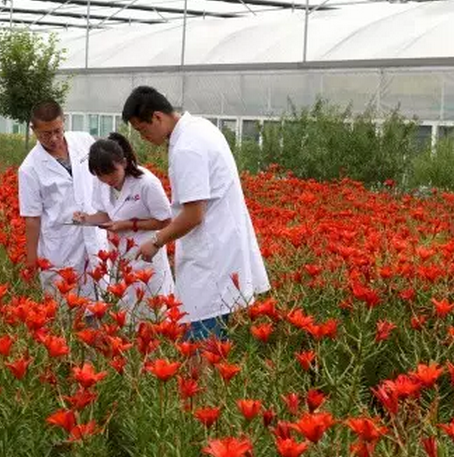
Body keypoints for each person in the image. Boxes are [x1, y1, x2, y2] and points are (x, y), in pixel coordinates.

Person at [122, 85, 270, 341]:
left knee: (203, 345)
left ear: (157, 117)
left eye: (142, 129)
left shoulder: (187, 148)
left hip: (211, 259)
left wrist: (156, 241)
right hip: (220, 251)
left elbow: (194, 214)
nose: (142, 137)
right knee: (212, 341)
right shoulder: (200, 128)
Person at [72, 133, 175, 321]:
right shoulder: (102, 183)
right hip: (120, 257)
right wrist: (86, 219)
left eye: (112, 173)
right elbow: (105, 214)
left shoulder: (146, 183)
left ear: (124, 163)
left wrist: (127, 224)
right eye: (101, 175)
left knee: (153, 313)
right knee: (126, 316)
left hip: (147, 254)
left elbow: (166, 220)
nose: (107, 179)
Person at [17, 100, 108, 301]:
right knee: (66, 312)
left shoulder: (84, 141)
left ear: (64, 121)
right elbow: (32, 217)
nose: (54, 138)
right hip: (61, 244)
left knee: (101, 304)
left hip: (94, 235)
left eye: (57, 130)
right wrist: (31, 261)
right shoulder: (29, 168)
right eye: (45, 134)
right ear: (33, 130)